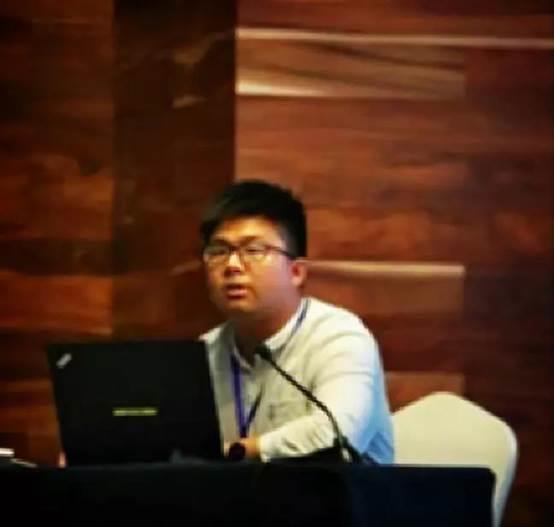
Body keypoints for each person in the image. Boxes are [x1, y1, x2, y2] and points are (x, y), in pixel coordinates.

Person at [200, 180, 394, 463]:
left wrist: (238, 452)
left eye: (253, 250)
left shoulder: (339, 337)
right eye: (219, 251)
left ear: (296, 272)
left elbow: (337, 434)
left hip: (339, 491)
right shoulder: (206, 352)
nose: (232, 265)